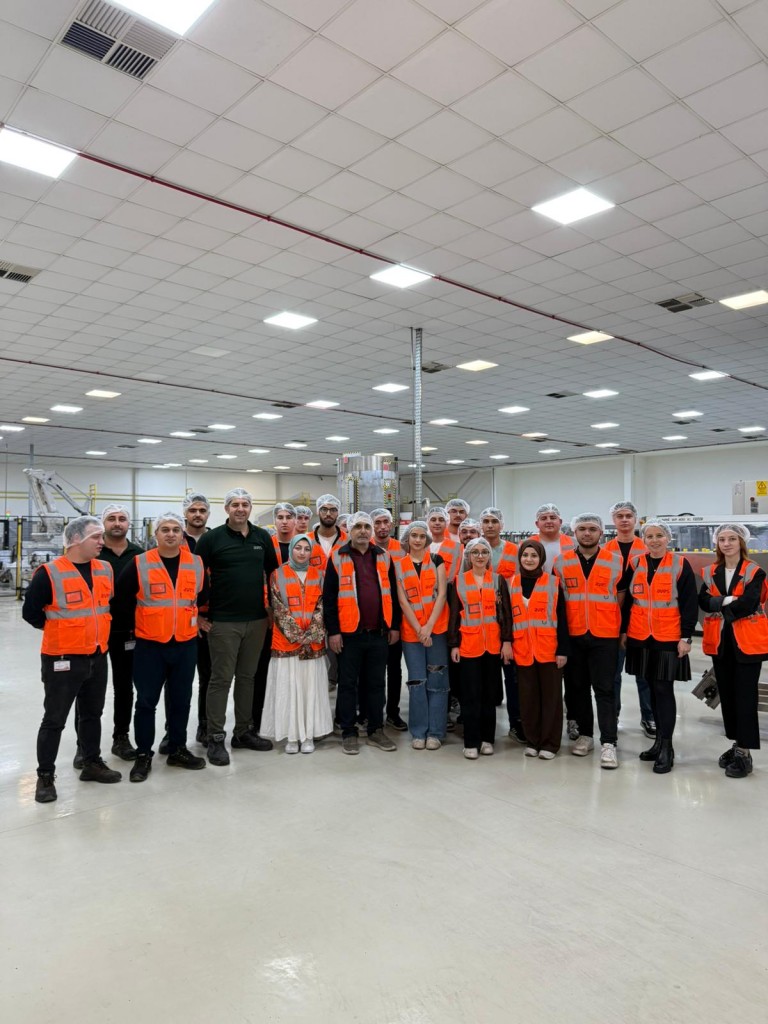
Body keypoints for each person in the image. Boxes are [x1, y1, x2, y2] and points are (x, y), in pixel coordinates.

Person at [23, 516, 122, 803]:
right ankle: (45, 776)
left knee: (92, 714)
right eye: (96, 537)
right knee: (54, 719)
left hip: (97, 655)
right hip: (62, 658)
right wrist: (64, 632)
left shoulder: (105, 569)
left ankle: (91, 762)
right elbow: (31, 613)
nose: (102, 542)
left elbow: (104, 606)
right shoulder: (49, 573)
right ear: (76, 539)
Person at [110, 512, 208, 782]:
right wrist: (141, 625)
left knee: (181, 700)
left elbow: (203, 595)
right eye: (165, 529)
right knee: (146, 702)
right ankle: (143, 754)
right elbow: (121, 600)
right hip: (150, 646)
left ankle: (177, 748)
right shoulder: (140, 562)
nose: (171, 534)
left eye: (176, 529)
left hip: (185, 643)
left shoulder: (196, 563)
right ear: (156, 535)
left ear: (182, 534)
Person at [194, 488, 277, 766]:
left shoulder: (262, 537)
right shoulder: (211, 539)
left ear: (250, 508)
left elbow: (272, 575)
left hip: (256, 621)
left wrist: (271, 611)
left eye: (245, 504)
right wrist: (196, 615)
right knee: (220, 680)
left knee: (247, 677)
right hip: (223, 622)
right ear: (226, 508)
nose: (240, 509)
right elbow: (193, 577)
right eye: (235, 504)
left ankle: (243, 732)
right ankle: (216, 737)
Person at [620, 520, 697, 775]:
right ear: (643, 540)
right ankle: (657, 743)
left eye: (659, 535)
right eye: (649, 536)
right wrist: (624, 631)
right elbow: (628, 601)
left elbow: (689, 602)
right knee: (651, 688)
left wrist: (686, 637)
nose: (654, 540)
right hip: (640, 635)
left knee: (663, 689)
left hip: (668, 636)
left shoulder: (680, 564)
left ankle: (667, 746)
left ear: (668, 538)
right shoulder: (636, 563)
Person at [323, 512, 401, 755]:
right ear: (349, 530)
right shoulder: (337, 557)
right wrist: (333, 632)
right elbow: (329, 599)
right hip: (349, 634)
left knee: (376, 683)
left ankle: (376, 729)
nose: (364, 531)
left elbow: (393, 594)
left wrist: (394, 626)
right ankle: (348, 731)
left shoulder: (384, 556)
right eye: (358, 526)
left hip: (378, 633)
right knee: (348, 684)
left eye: (367, 526)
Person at [554, 513, 627, 769]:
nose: (587, 533)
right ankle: (586, 735)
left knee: (605, 689)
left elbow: (622, 598)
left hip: (604, 635)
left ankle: (609, 742)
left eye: (592, 529)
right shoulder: (561, 562)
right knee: (578, 688)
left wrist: (618, 628)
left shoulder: (616, 562)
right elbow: (558, 602)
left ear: (601, 533)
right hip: (574, 635)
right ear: (574, 533)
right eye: (582, 529)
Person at [698, 523, 768, 779]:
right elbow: (703, 601)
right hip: (720, 642)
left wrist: (720, 605)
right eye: (722, 539)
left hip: (747, 643)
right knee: (727, 695)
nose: (726, 543)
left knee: (745, 697)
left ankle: (744, 752)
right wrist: (727, 600)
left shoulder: (754, 572)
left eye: (732, 539)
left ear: (741, 543)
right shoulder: (710, 572)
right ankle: (736, 742)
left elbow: (749, 603)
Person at [261, 534, 333, 753]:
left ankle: (308, 735)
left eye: (306, 549)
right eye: (298, 548)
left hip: (313, 644)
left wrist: (311, 633)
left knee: (309, 689)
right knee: (289, 688)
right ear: (291, 549)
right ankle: (292, 736)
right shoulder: (277, 574)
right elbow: (277, 607)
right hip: (286, 644)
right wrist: (296, 634)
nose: (302, 552)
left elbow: (323, 605)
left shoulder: (319, 575)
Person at [448, 537, 513, 760]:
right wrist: (454, 644)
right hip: (468, 646)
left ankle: (487, 739)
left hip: (492, 647)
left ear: (489, 556)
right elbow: (454, 615)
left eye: (484, 552)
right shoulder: (458, 581)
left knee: (489, 695)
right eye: (475, 552)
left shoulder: (497, 580)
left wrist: (506, 641)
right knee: (470, 695)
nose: (480, 556)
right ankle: (471, 741)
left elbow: (506, 613)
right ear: (468, 556)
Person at [509, 539, 569, 759]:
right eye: (525, 555)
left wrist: (563, 650)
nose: (529, 559)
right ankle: (532, 741)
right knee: (528, 699)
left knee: (551, 699)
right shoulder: (511, 583)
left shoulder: (553, 582)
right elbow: (507, 618)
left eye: (534, 555)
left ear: (541, 559)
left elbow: (562, 618)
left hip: (549, 650)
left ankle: (550, 744)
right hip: (522, 650)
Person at [395, 520, 449, 750]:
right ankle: (418, 732)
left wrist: (428, 627)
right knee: (417, 681)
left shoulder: (437, 560)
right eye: (413, 536)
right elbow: (402, 601)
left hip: (436, 631)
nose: (418, 540)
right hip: (412, 634)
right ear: (407, 539)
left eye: (421, 536)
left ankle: (435, 732)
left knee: (437, 680)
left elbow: (442, 595)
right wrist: (419, 629)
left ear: (426, 539)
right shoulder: (398, 565)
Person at [605, 500, 655, 739]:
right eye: (619, 516)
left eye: (628, 516)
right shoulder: (605, 550)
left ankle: (649, 716)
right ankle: (612, 716)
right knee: (613, 674)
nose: (624, 520)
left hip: (641, 622)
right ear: (613, 520)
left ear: (636, 520)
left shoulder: (648, 548)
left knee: (645, 675)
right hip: (611, 622)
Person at [98, 503, 144, 762]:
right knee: (89, 690)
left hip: (127, 629)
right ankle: (85, 746)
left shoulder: (140, 555)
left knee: (124, 687)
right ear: (103, 523)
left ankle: (121, 737)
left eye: (122, 519)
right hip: (95, 630)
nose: (117, 523)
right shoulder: (93, 551)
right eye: (112, 518)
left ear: (129, 523)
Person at [480, 506, 524, 743]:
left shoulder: (515, 551)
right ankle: (484, 727)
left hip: (509, 619)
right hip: (482, 621)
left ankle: (516, 724)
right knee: (485, 678)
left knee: (513, 676)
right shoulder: (474, 549)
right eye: (486, 521)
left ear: (501, 525)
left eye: (494, 521)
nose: (490, 525)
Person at [370, 507, 407, 731]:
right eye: (378, 522)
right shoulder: (365, 548)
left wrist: (396, 623)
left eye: (386, 522)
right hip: (372, 620)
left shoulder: (401, 549)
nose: (382, 527)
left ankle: (393, 712)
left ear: (392, 525)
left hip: (395, 618)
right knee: (373, 671)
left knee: (394, 669)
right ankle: (371, 712)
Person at [182, 492, 211, 743]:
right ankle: (173, 732)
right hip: (180, 622)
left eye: (202, 510)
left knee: (208, 678)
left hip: (210, 621)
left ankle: (205, 725)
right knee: (178, 682)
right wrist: (195, 617)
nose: (197, 514)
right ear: (185, 513)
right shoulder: (174, 539)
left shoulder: (216, 539)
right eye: (193, 510)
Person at [528, 503, 574, 571]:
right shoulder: (527, 544)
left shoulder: (574, 543)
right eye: (543, 518)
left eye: (553, 518)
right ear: (537, 524)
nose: (549, 521)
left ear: (560, 522)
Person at [427, 507, 462, 583]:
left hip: (448, 588)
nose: (437, 523)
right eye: (433, 520)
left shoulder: (457, 547)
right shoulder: (420, 546)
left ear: (447, 523)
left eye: (441, 520)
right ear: (428, 523)